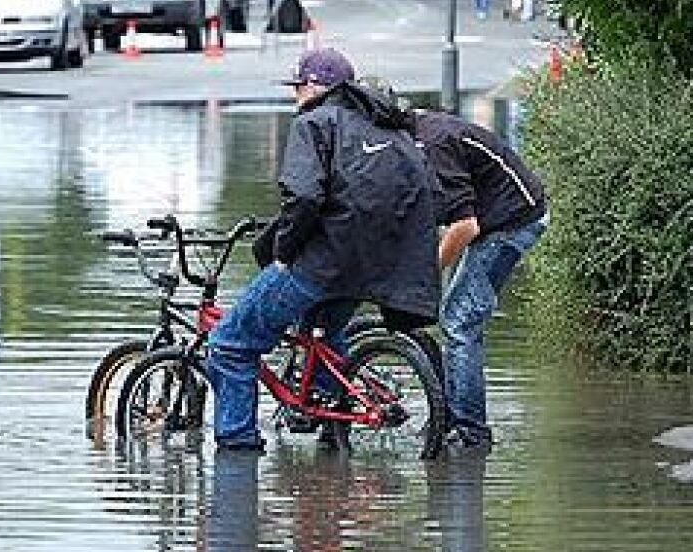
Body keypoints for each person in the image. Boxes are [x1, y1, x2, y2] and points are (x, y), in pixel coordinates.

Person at [204, 48, 443, 451]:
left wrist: (282, 252)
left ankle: (237, 447)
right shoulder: (387, 129)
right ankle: (330, 416)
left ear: (314, 87)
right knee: (324, 333)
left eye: (297, 86)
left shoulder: (314, 123)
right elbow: (428, 192)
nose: (294, 95)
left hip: (322, 264)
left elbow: (304, 197)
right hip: (371, 268)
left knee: (230, 344)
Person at [414, 108, 549, 454]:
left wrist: (425, 275)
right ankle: (451, 418)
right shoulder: (419, 133)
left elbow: (464, 227)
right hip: (497, 218)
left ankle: (471, 434)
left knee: (460, 320)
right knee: (456, 316)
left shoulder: (433, 143)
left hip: (514, 222)